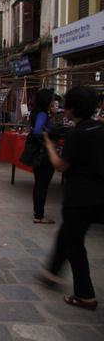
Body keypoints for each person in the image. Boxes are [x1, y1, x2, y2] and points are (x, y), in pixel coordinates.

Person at [38, 86, 103, 311]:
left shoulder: (77, 134)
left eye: (66, 106)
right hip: (98, 195)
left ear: (73, 108)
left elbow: (61, 166)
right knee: (67, 235)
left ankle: (85, 295)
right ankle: (52, 272)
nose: (63, 110)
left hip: (79, 197)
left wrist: (49, 145)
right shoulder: (99, 128)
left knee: (75, 245)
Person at [29, 89, 56, 224]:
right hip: (43, 154)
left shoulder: (37, 112)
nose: (53, 102)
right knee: (42, 185)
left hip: (38, 153)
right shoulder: (42, 114)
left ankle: (37, 212)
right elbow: (37, 131)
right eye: (51, 99)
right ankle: (39, 215)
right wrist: (48, 134)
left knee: (39, 184)